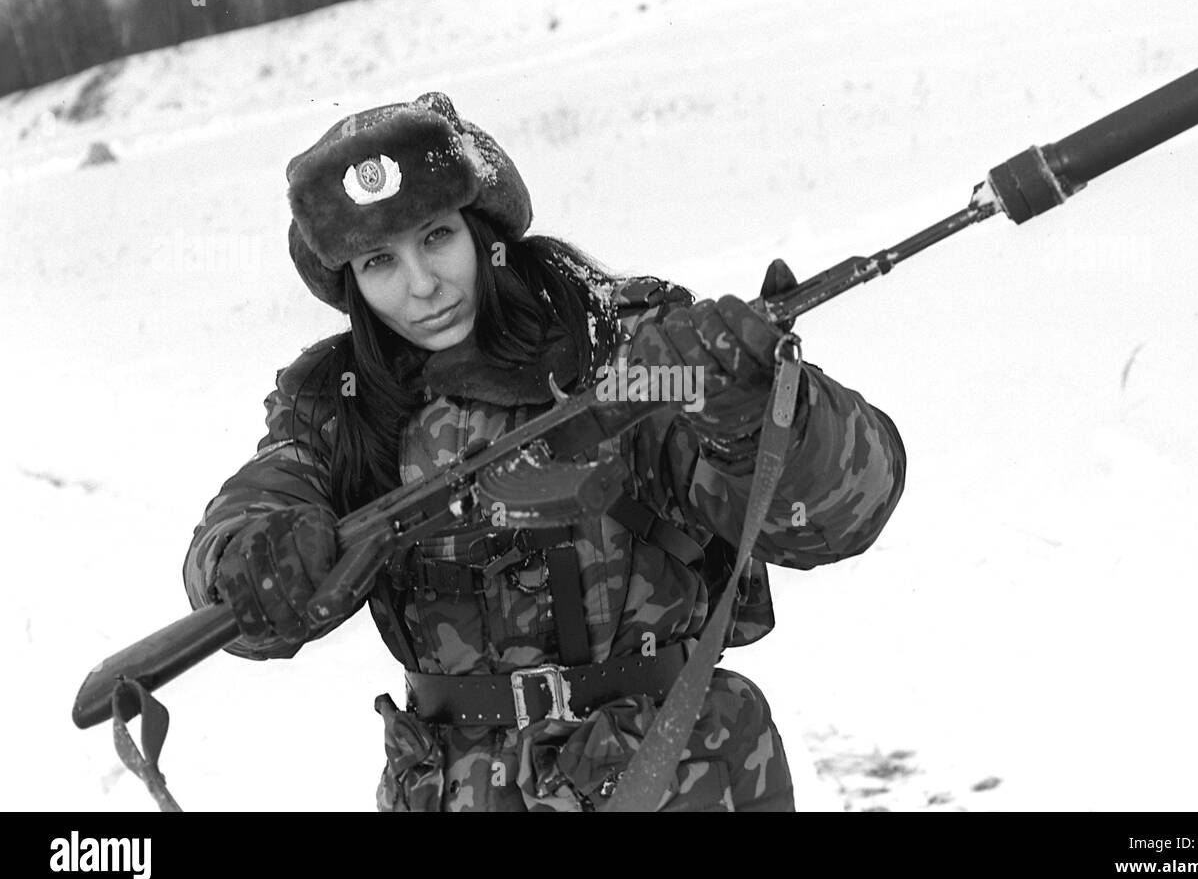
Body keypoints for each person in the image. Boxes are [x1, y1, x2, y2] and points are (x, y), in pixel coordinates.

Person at [182, 91, 906, 812]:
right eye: (379, 262)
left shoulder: (626, 348)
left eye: (436, 237)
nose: (422, 285)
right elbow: (244, 526)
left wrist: (755, 413)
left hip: (670, 779)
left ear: (483, 230)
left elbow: (845, 510)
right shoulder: (335, 404)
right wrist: (253, 557)